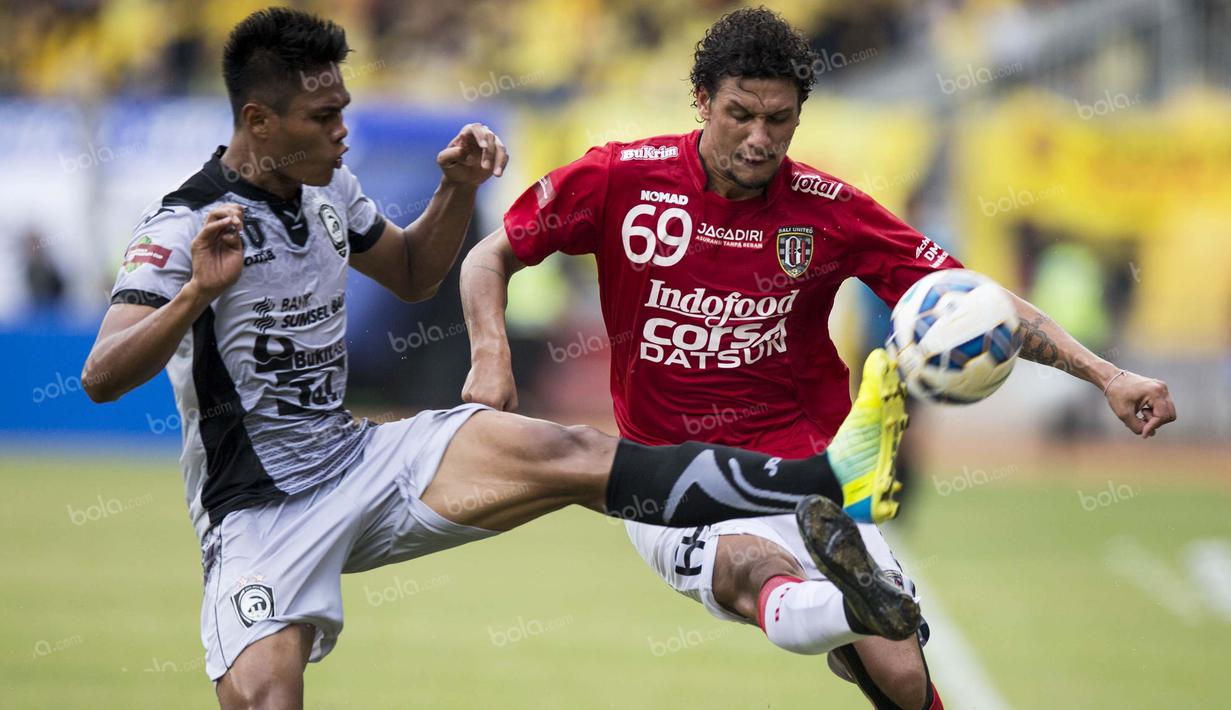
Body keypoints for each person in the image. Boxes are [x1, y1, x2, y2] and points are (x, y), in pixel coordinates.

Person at [81, 9, 916, 709]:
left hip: (357, 457)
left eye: (343, 109)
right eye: (323, 118)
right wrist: (195, 294)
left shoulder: (327, 188)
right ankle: (826, 570)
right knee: (268, 698)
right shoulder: (183, 223)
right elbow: (102, 375)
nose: (344, 131)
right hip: (258, 510)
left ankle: (816, 479)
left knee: (570, 449)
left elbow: (412, 274)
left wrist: (455, 192)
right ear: (258, 122)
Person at [459, 8, 1178, 709]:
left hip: (808, 466)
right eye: (739, 114)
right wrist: (492, 357)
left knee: (899, 679)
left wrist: (1108, 375)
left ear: (799, 116)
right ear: (701, 100)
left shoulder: (829, 209)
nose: (759, 137)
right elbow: (490, 257)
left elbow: (974, 303)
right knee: (751, 571)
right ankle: (851, 603)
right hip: (667, 466)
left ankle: (850, 603)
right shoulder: (619, 178)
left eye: (779, 120)